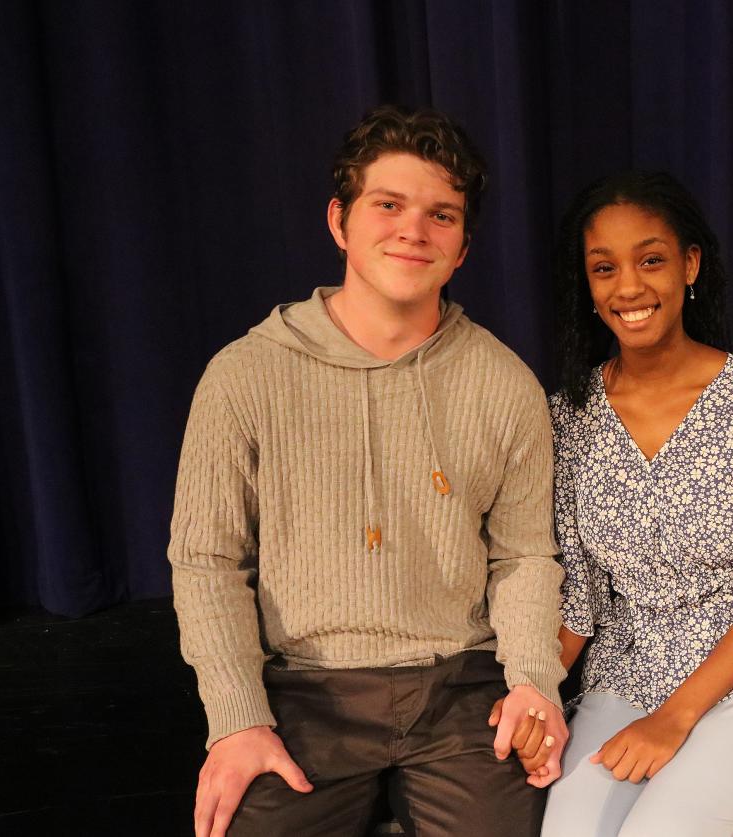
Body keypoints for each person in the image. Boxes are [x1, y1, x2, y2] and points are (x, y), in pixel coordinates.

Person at [168, 105, 568, 837]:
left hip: (459, 686)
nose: (414, 230)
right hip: (307, 691)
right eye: (389, 204)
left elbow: (523, 556)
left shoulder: (505, 384)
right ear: (339, 221)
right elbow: (206, 563)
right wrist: (235, 720)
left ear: (463, 247)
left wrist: (532, 681)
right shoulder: (243, 376)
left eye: (441, 215)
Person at [536, 171, 733, 837]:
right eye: (604, 268)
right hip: (626, 678)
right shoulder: (572, 414)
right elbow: (580, 598)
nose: (628, 286)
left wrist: (675, 717)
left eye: (650, 259)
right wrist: (530, 692)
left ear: (690, 265)